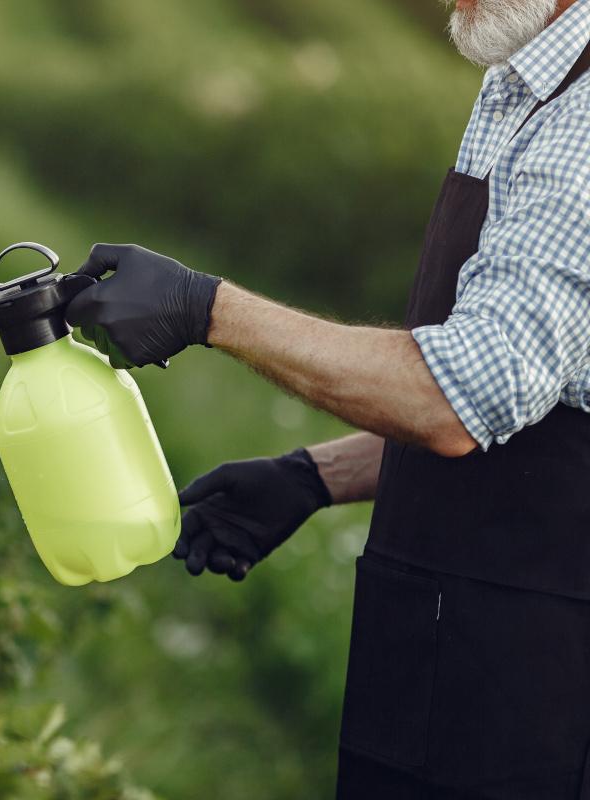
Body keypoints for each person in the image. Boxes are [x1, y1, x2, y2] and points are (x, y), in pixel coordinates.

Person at [65, 0, 590, 796]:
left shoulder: (582, 127)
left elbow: (455, 395)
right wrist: (314, 475)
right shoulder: (518, 89)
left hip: (535, 693)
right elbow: (531, 401)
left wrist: (208, 310)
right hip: (452, 650)